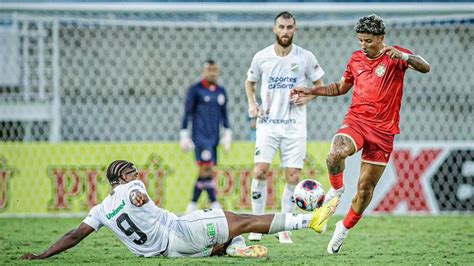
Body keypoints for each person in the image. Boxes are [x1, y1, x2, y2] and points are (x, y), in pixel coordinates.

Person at [291, 14, 430, 254]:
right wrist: (312, 90)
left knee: (365, 191)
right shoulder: (355, 59)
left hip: (384, 132)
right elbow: (340, 87)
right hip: (357, 121)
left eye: (368, 40)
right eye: (360, 40)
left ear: (381, 38)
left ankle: (341, 230)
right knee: (335, 155)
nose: (363, 45)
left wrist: (405, 57)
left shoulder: (395, 56)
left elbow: (425, 67)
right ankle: (336, 191)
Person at [21, 160, 339, 260]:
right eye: (132, 172)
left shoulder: (101, 210)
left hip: (170, 253)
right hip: (180, 231)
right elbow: (135, 197)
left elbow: (75, 235)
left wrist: (41, 256)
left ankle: (228, 249)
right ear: (121, 178)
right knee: (243, 220)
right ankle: (311, 220)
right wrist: (138, 198)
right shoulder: (132, 188)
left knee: (222, 233)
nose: (137, 175)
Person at [245, 11, 325, 244]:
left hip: (294, 126)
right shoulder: (262, 57)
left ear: (295, 30)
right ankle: (256, 224)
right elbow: (249, 82)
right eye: (281, 27)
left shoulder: (305, 57)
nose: (285, 31)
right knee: (260, 170)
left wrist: (308, 98)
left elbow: (319, 86)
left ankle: (285, 225)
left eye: (289, 27)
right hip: (268, 124)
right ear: (274, 29)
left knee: (293, 175)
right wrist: (252, 103)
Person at [180, 59, 232, 213]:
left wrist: (227, 133)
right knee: (206, 169)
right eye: (209, 70)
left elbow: (224, 115)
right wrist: (184, 134)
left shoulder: (221, 91)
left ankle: (194, 204)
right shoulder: (195, 90)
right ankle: (211, 203)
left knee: (207, 170)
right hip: (200, 137)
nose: (212, 73)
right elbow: (187, 113)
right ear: (204, 71)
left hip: (214, 137)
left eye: (214, 70)